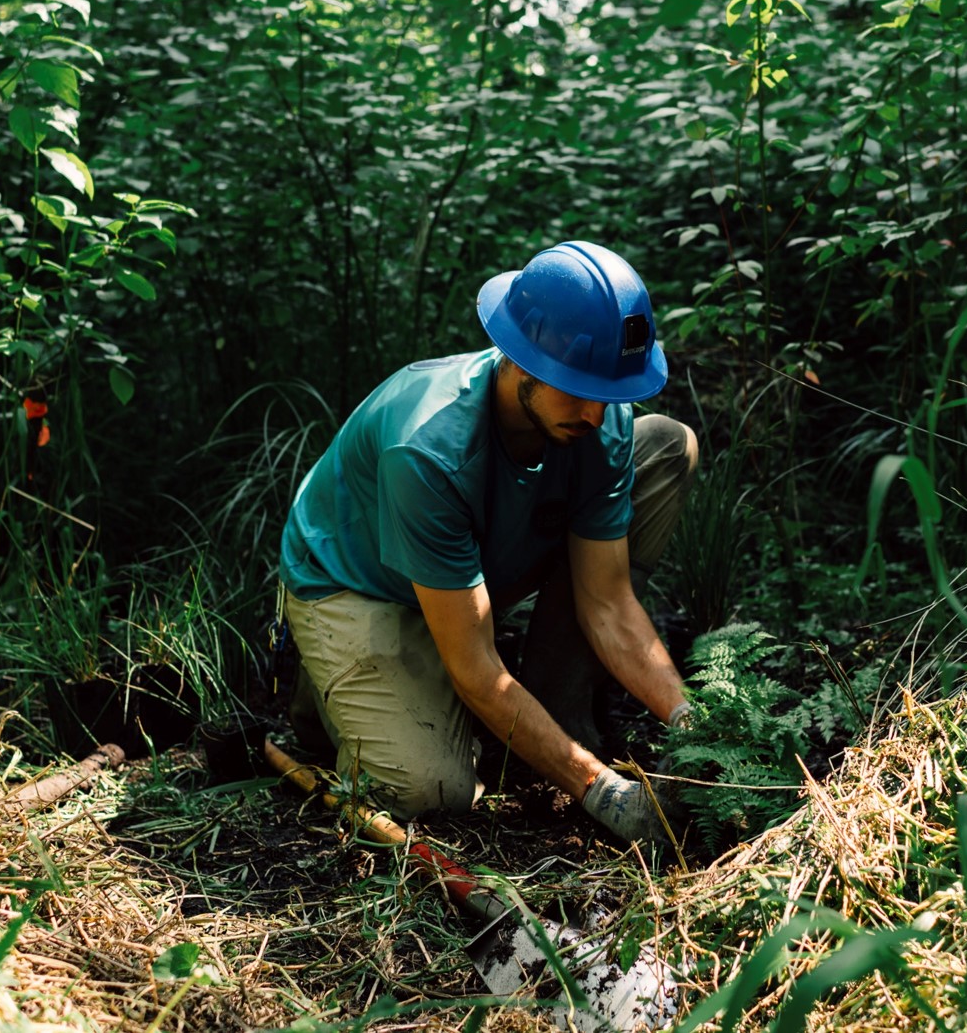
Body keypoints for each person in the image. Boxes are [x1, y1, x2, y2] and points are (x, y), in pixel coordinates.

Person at [276, 242, 698, 844]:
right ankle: (327, 684)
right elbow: (476, 668)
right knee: (432, 791)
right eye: (576, 388)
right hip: (361, 583)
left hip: (468, 566)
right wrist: (602, 790)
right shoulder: (427, 447)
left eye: (608, 393)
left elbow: (607, 602)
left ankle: (548, 716)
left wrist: (690, 718)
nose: (596, 414)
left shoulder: (598, 417)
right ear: (519, 360)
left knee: (667, 442)